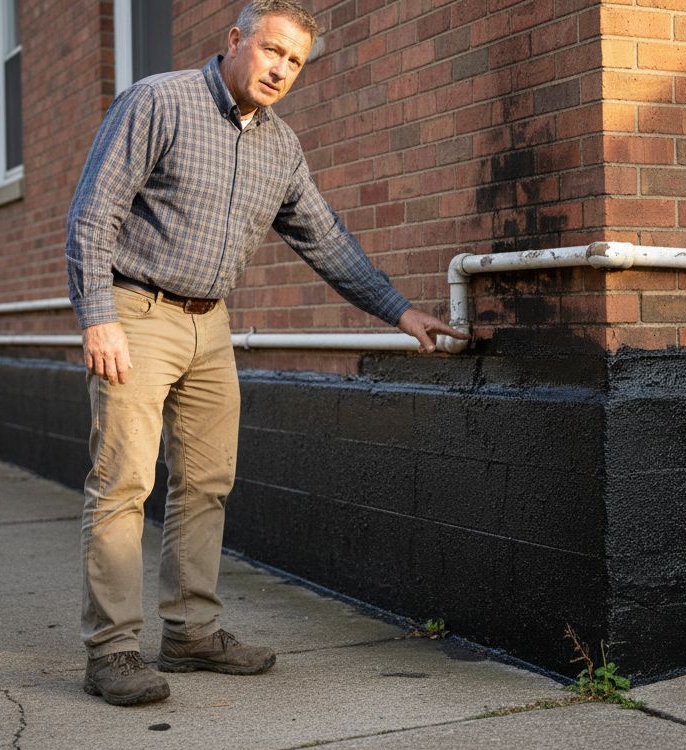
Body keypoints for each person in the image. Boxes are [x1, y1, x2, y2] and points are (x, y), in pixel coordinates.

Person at [65, 0, 465, 706]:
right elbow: (92, 214)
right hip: (136, 311)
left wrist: (400, 310)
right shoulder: (159, 101)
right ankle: (113, 652)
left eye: (295, 62)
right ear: (235, 40)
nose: (281, 69)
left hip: (210, 323)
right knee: (125, 482)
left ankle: (190, 633)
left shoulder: (280, 147)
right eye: (273, 51)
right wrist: (98, 319)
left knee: (207, 481)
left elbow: (326, 237)